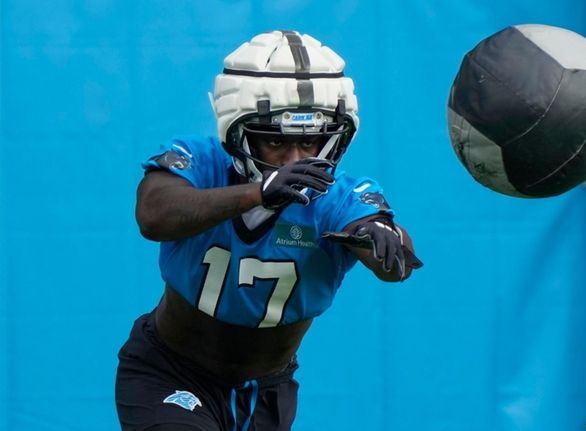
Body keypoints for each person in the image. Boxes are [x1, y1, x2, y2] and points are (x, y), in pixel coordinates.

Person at [115, 30, 422, 431]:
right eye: (277, 141)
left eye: (311, 142)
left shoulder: (337, 196)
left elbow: (388, 257)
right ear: (239, 134)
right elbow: (153, 214)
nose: (296, 160)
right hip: (170, 372)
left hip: (268, 393)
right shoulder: (200, 162)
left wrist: (384, 237)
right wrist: (257, 193)